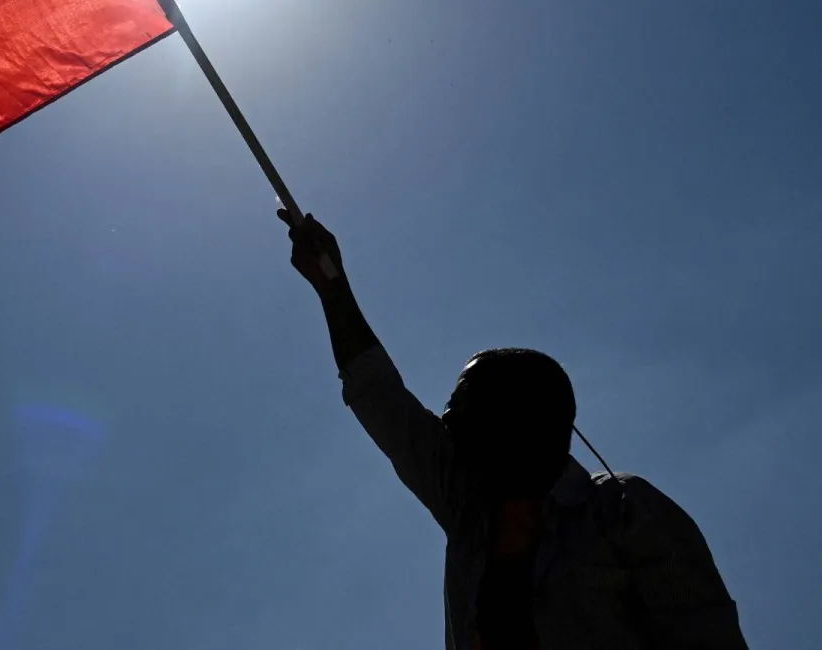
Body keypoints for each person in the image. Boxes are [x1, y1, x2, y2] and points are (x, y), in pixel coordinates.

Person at [280, 210, 748, 650]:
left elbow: (706, 635)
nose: (445, 422)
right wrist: (333, 291)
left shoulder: (623, 511)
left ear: (517, 420)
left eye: (461, 407)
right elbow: (381, 399)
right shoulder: (469, 507)